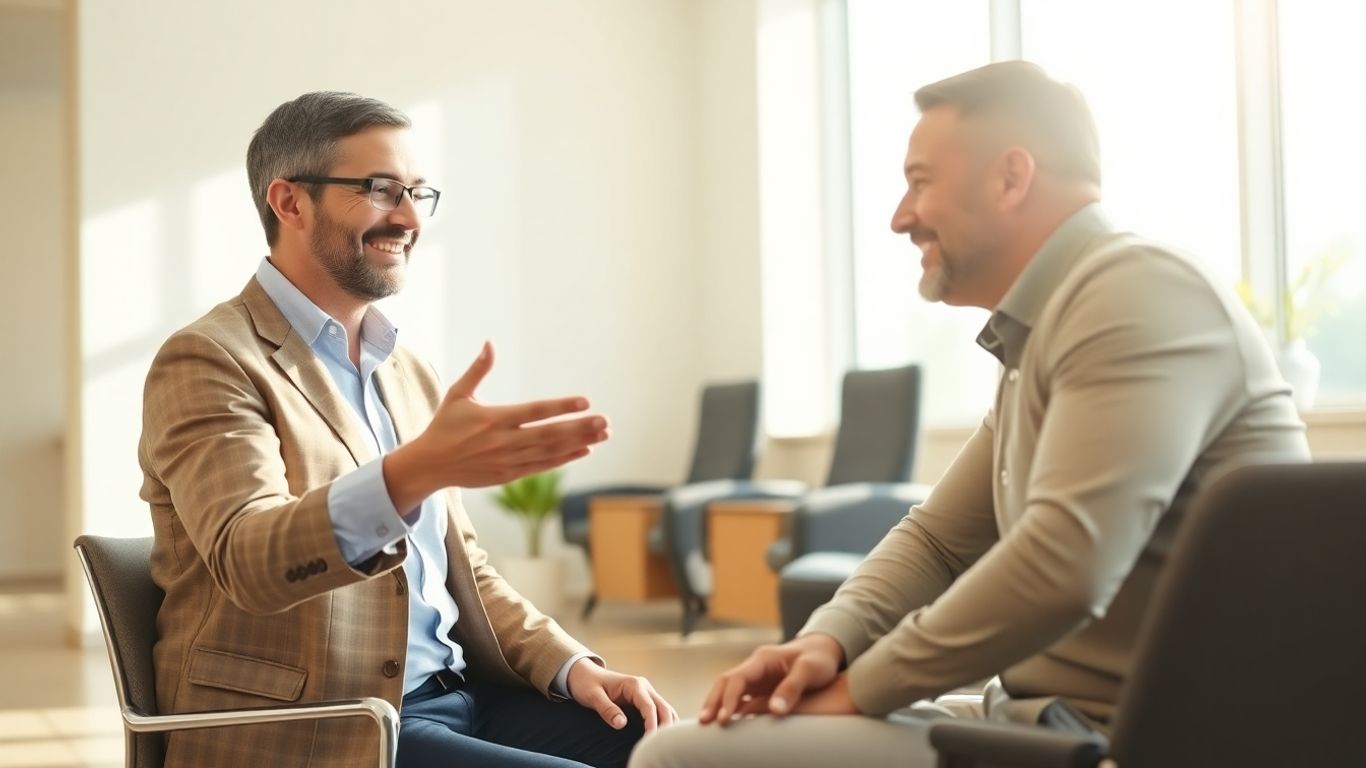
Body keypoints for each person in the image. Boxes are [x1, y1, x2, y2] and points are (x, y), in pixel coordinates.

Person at [629, 60, 1309, 768]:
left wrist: (862, 688)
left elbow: (1062, 564)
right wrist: (822, 643)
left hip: (1129, 741)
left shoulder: (1135, 293)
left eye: (920, 181)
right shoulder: (1049, 330)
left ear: (1011, 177)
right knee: (722, 738)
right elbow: (938, 542)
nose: (900, 216)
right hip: (1036, 718)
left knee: (679, 759)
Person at [138, 91, 676, 768]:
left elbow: (466, 572)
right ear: (290, 203)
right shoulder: (211, 359)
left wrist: (573, 667)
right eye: (381, 189)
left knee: (679, 752)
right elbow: (249, 560)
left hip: (459, 696)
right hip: (330, 724)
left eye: (420, 192)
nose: (409, 216)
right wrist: (412, 473)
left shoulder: (407, 369)